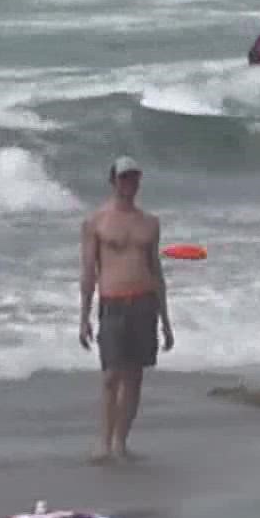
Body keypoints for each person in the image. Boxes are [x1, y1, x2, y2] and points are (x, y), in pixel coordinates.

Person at [79, 157, 174, 462]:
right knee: (110, 376)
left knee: (134, 377)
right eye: (123, 178)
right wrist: (84, 317)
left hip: (144, 302)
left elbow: (156, 271)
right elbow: (88, 271)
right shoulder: (97, 222)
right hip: (113, 303)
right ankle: (103, 442)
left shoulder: (149, 223)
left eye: (133, 178)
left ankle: (121, 441)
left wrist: (166, 321)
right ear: (113, 181)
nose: (128, 184)